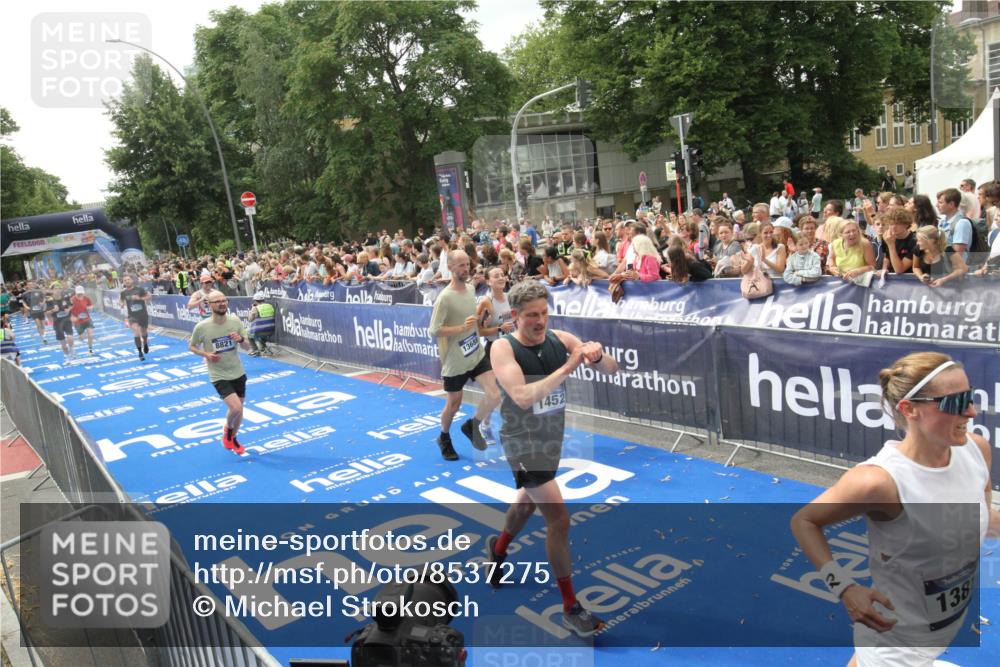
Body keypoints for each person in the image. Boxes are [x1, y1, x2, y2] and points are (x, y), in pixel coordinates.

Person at [791, 352, 997, 667]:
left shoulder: (976, 450)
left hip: (942, 631)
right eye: (956, 403)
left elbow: (982, 514)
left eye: (970, 397)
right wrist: (845, 588)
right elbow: (804, 521)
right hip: (896, 647)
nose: (972, 411)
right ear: (909, 409)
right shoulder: (879, 482)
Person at [485, 280, 620, 637]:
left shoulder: (561, 339)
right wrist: (569, 366)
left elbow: (611, 368)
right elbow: (522, 396)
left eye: (544, 313)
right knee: (559, 520)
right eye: (532, 315)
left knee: (526, 505)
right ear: (515, 316)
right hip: (521, 441)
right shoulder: (503, 348)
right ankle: (570, 606)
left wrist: (596, 353)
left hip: (551, 438)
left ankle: (497, 550)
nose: (540, 321)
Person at [428, 250, 502, 460]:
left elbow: (472, 322)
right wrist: (460, 328)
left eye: (467, 264)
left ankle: (472, 425)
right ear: (450, 268)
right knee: (454, 404)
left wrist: (480, 323)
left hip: (475, 354)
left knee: (495, 394)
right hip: (454, 360)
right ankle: (443, 437)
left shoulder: (471, 288)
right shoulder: (444, 298)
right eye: (460, 265)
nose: (465, 268)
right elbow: (434, 330)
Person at [188, 291, 252, 455]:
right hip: (218, 374)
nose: (222, 303)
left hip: (237, 371)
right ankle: (227, 432)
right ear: (209, 304)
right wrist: (206, 355)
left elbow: (247, 346)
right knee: (236, 408)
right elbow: (192, 346)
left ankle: (233, 438)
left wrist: (240, 339)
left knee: (239, 410)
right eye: (217, 301)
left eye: (224, 300)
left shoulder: (235, 320)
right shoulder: (202, 326)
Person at [119, 274, 152, 361]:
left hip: (143, 315)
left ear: (132, 280)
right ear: (123, 282)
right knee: (136, 332)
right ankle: (140, 352)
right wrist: (121, 304)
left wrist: (140, 298)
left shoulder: (139, 289)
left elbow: (149, 296)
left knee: (144, 332)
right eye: (125, 280)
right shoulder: (123, 292)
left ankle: (145, 344)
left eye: (128, 279)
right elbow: (121, 300)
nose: (127, 281)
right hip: (132, 316)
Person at [47, 283, 76, 361]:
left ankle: (72, 349)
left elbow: (72, 305)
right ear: (52, 290)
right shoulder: (49, 301)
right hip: (57, 323)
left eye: (58, 288)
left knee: (70, 337)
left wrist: (69, 309)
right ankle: (67, 356)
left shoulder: (65, 297)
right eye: (55, 289)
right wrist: (53, 310)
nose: (57, 290)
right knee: (63, 343)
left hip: (67, 321)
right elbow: (46, 313)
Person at [246, 292, 276, 356]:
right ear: (264, 300)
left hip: (260, 332)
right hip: (271, 331)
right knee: (260, 336)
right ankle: (263, 348)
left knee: (248, 334)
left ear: (255, 301)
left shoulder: (255, 308)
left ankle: (255, 350)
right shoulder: (270, 306)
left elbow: (249, 319)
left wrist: (252, 309)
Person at [69, 285, 95, 354]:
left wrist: (90, 308)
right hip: (78, 322)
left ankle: (90, 349)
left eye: (81, 293)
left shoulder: (86, 298)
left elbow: (91, 305)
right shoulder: (71, 300)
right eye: (78, 293)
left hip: (87, 319)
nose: (80, 294)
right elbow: (68, 311)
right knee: (82, 337)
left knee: (90, 335)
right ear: (75, 292)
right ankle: (80, 338)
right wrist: (71, 317)